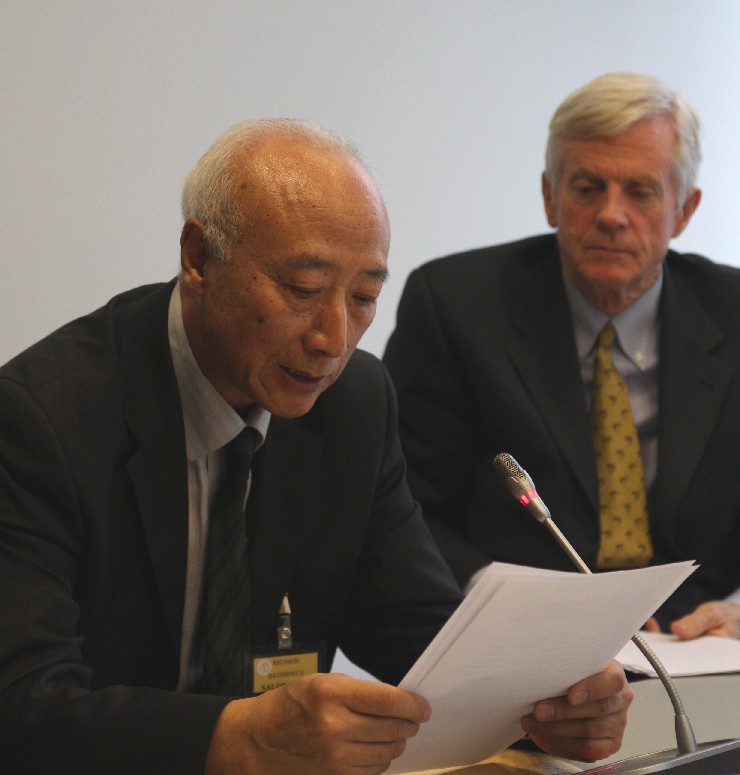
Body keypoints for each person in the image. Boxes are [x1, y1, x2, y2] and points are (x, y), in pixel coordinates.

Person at [0, 119, 631, 775]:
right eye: (302, 290)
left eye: (363, 297)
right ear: (199, 257)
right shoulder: (42, 421)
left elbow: (418, 630)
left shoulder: (354, 403)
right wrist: (234, 737)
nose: (333, 338)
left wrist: (548, 704)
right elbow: (22, 706)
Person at [384, 72, 740, 643]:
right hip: (520, 643)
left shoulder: (732, 313)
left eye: (641, 192)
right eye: (588, 187)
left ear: (685, 209)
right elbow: (407, 508)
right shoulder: (455, 308)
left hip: (698, 644)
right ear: (550, 197)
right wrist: (500, 598)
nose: (611, 215)